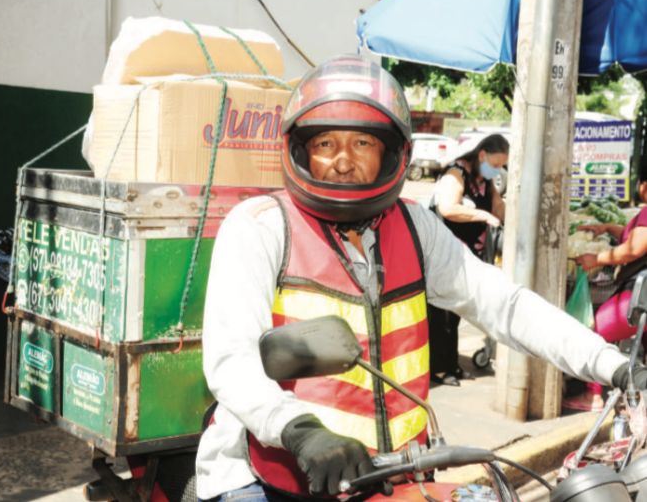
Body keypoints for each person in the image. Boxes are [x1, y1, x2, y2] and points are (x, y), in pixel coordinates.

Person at [195, 55, 632, 501]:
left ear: (390, 152)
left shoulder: (413, 225)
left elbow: (503, 303)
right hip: (268, 473)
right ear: (302, 150)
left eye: (362, 143)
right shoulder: (261, 226)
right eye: (326, 143)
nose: (343, 162)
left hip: (387, 473)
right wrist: (301, 431)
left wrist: (611, 364)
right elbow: (232, 361)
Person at [427, 134, 509, 385]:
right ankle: (439, 368)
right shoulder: (457, 172)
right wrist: (482, 216)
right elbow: (447, 207)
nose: (497, 170)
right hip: (442, 254)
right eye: (495, 164)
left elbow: (498, 208)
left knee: (455, 312)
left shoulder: (484, 180)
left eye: (501, 166)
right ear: (482, 155)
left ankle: (450, 364)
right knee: (440, 313)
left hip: (464, 257)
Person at [564, 180, 647, 411]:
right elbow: (632, 238)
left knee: (595, 331)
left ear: (643, 187)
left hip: (640, 296)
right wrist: (609, 228)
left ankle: (592, 396)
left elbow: (635, 249)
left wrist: (597, 259)